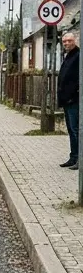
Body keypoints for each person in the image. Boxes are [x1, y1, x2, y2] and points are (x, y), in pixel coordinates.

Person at [58, 32, 80, 170]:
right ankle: (73, 157)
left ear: (75, 40)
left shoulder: (78, 56)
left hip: (74, 100)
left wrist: (74, 94)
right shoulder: (68, 56)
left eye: (69, 40)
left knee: (76, 130)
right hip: (67, 100)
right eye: (64, 41)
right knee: (71, 130)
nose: (66, 43)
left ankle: (79, 159)